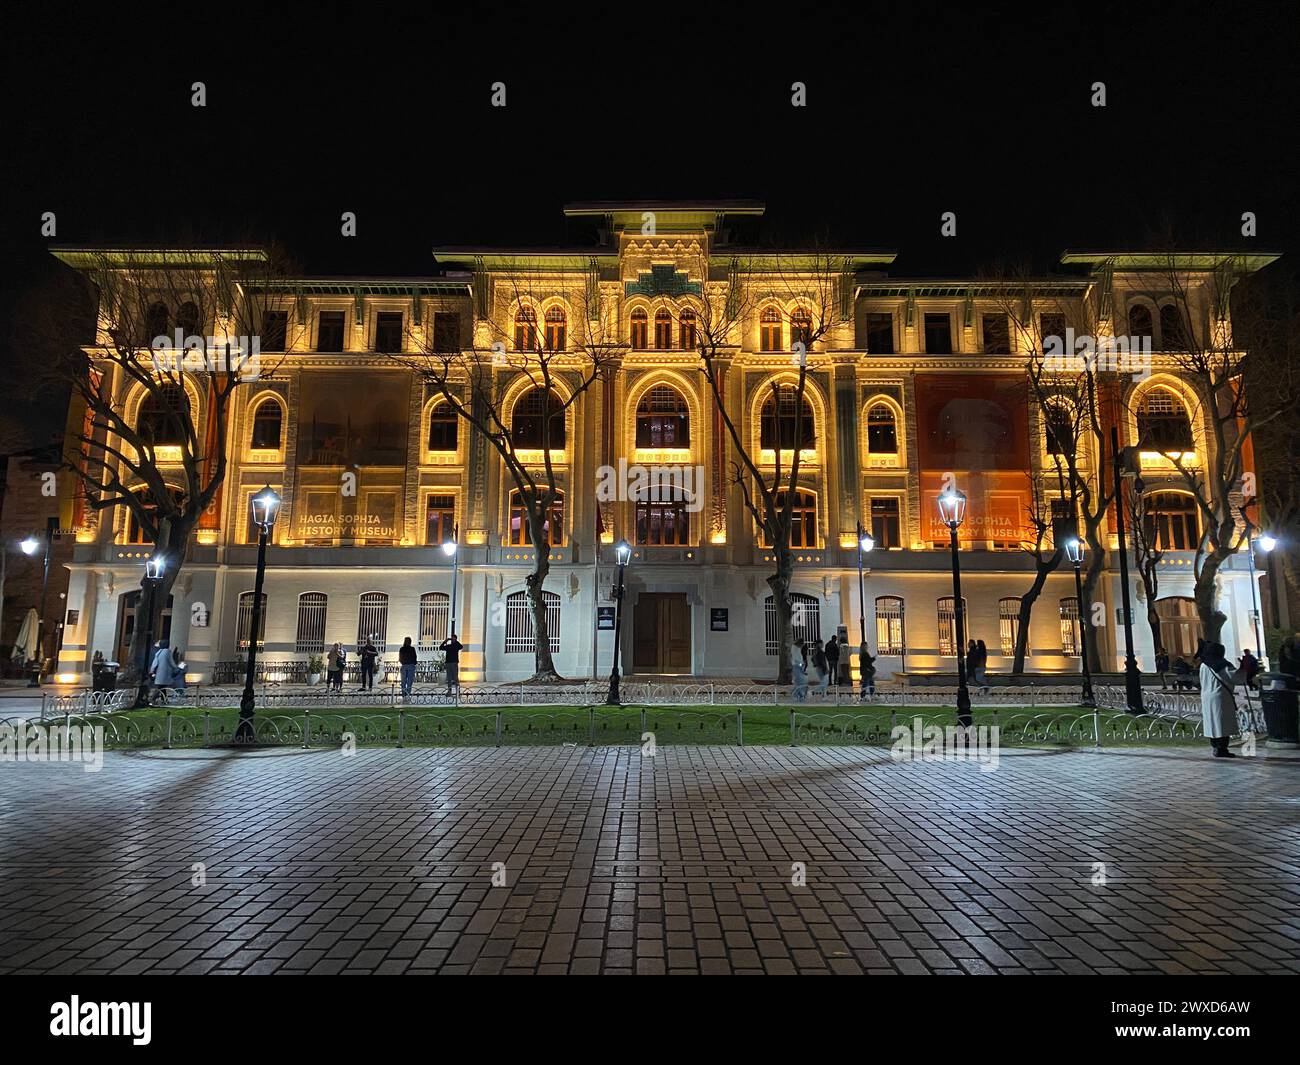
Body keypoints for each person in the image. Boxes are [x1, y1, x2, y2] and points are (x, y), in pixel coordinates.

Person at [1199, 641, 1246, 758]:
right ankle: (1221, 748)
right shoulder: (1222, 665)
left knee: (1212, 723)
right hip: (1220, 696)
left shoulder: (1204, 665)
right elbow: (1236, 677)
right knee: (1222, 723)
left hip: (1207, 696)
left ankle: (1215, 746)